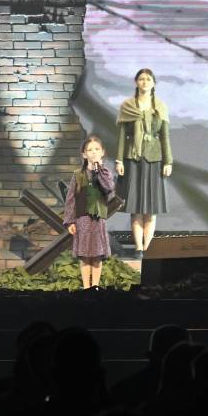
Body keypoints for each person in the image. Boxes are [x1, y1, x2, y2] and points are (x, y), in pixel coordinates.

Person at [116, 68, 174, 257]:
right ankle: (138, 248)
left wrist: (168, 161)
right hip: (133, 158)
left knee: (151, 207)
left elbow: (165, 136)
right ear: (136, 82)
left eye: (148, 79)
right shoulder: (127, 106)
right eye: (141, 79)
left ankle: (148, 248)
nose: (145, 82)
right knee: (135, 206)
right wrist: (119, 160)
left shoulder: (160, 106)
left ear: (153, 83)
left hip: (154, 159)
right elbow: (122, 135)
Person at [63, 134, 119, 289]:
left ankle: (95, 287)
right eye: (90, 150)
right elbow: (71, 199)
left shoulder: (105, 173)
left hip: (98, 220)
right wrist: (70, 221)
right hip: (82, 220)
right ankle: (86, 287)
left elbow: (109, 188)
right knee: (84, 255)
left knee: (97, 255)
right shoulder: (78, 174)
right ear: (84, 154)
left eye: (97, 149)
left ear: (102, 152)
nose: (93, 152)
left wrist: (98, 170)